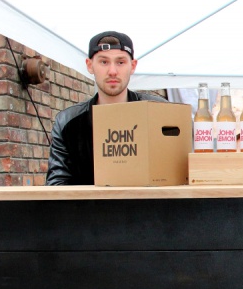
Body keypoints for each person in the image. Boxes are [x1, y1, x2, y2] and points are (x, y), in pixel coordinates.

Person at [46, 31, 166, 185]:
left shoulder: (159, 113)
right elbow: (56, 184)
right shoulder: (67, 123)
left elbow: (180, 171)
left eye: (120, 62)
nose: (112, 71)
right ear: (90, 65)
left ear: (132, 66)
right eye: (104, 62)